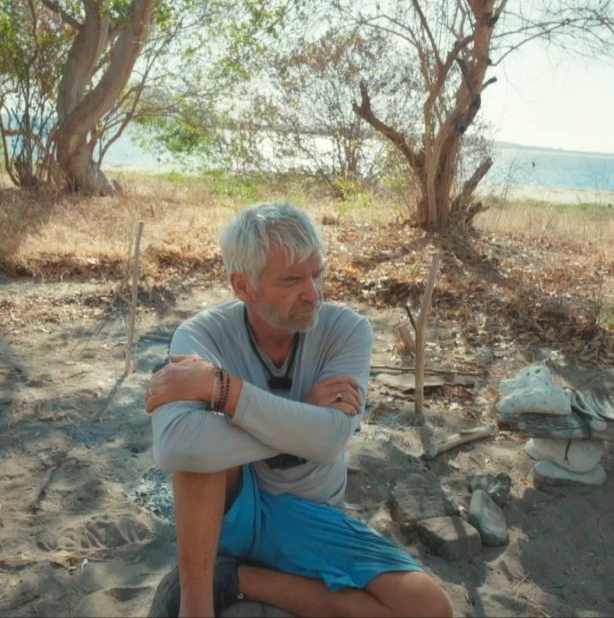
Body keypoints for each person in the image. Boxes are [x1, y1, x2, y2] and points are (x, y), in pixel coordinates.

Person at [145, 201, 453, 618]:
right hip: (235, 507)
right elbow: (176, 448)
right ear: (243, 287)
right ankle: (195, 608)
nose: (312, 293)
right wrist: (300, 416)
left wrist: (225, 391)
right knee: (201, 457)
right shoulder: (202, 336)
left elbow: (328, 441)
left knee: (430, 608)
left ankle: (238, 580)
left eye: (317, 274)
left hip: (310, 516)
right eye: (291, 280)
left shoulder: (347, 331)